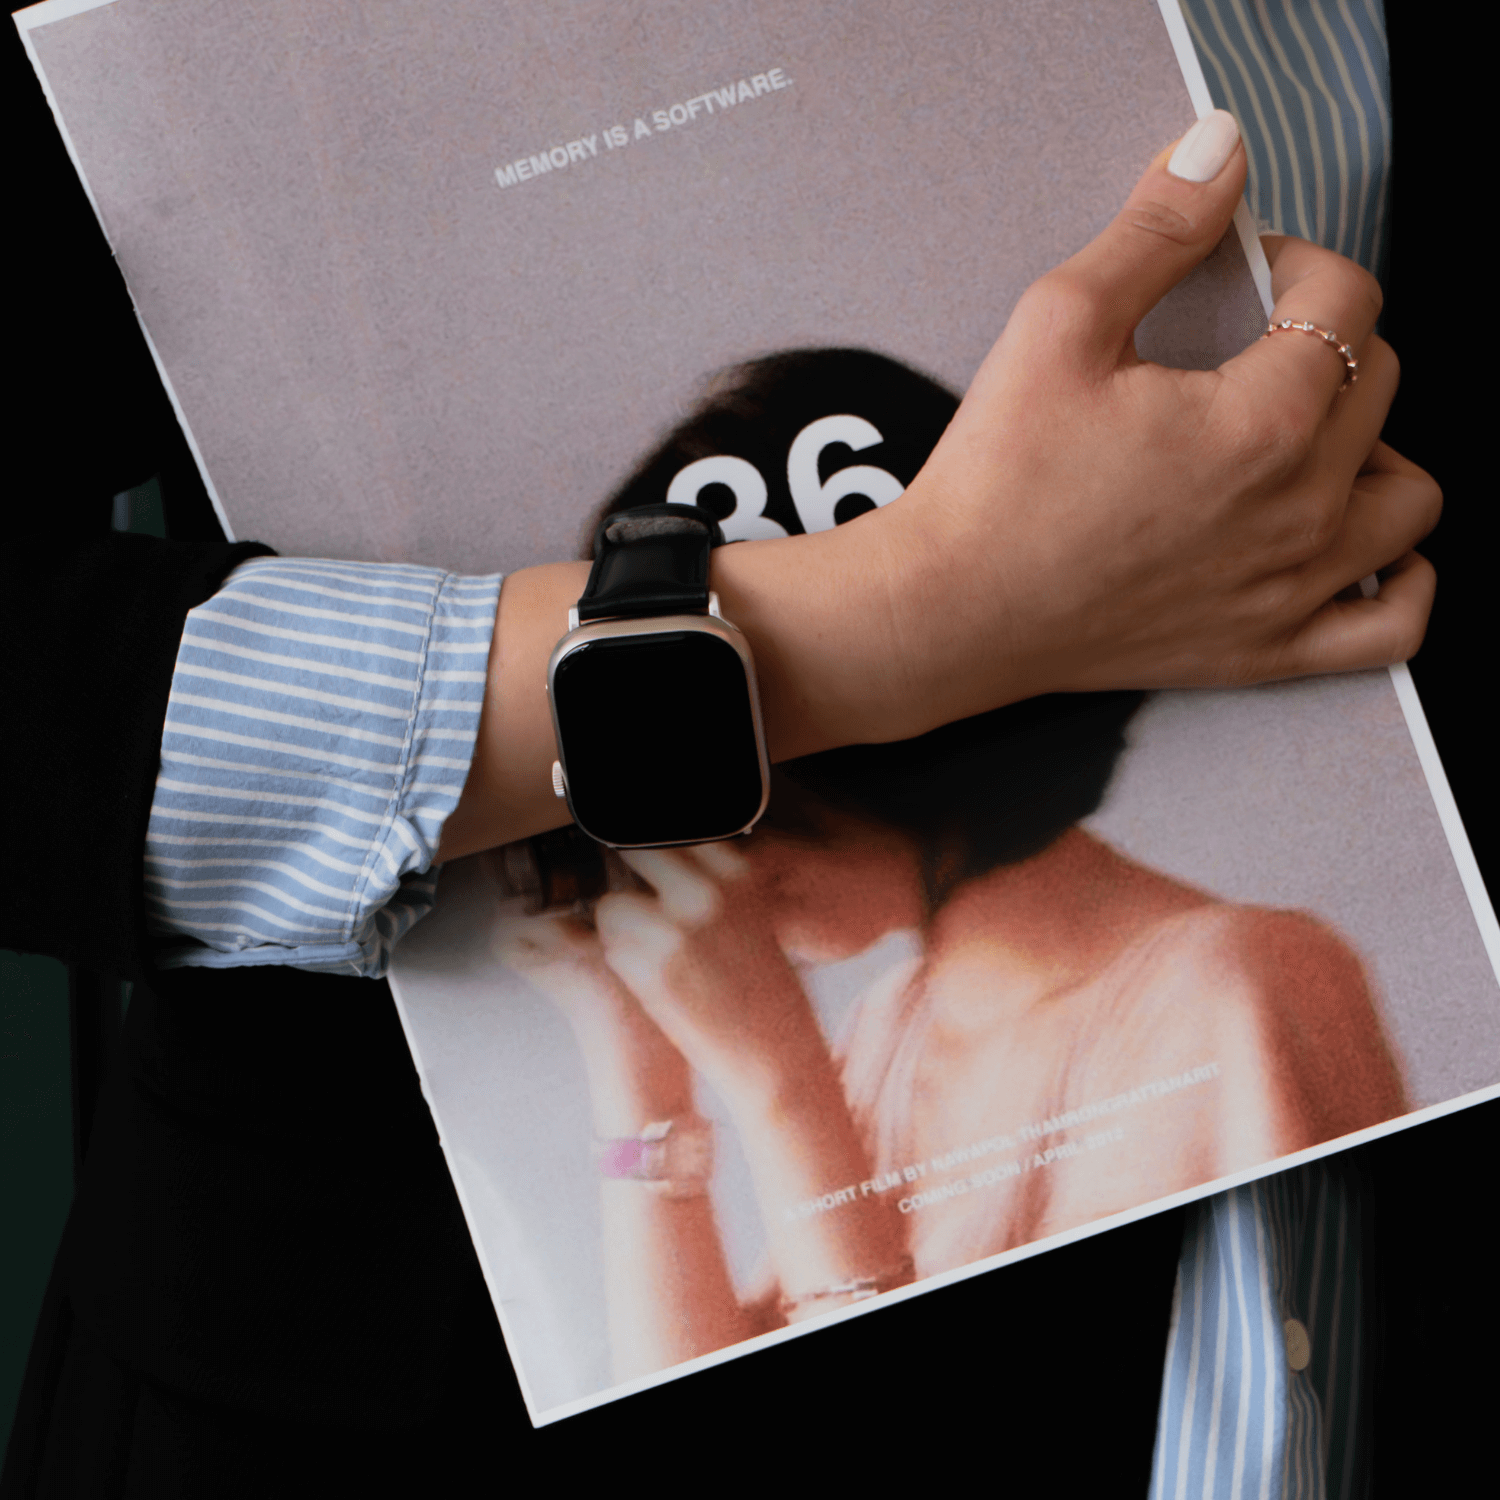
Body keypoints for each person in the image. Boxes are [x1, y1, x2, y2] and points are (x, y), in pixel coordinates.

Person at [1, 18, 1461, 1494]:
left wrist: (755, 1081)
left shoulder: (1208, 982)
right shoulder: (904, 1017)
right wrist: (912, 613)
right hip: (353, 1369)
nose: (683, 854)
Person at [489, 348, 1409, 1381]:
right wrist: (640, 1074)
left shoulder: (1234, 994)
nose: (689, 844)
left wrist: (783, 1089)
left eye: (728, 781)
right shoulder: (898, 1028)